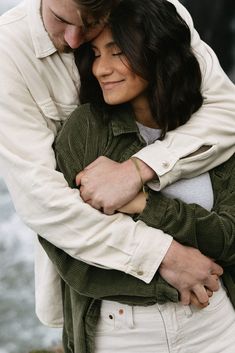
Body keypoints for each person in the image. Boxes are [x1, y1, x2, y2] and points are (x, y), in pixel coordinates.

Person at [0, 0, 234, 330]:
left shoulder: (155, 12)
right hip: (109, 306)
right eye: (61, 20)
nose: (73, 40)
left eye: (92, 22)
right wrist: (163, 255)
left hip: (210, 307)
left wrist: (139, 169)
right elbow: (40, 200)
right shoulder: (8, 51)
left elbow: (226, 109)